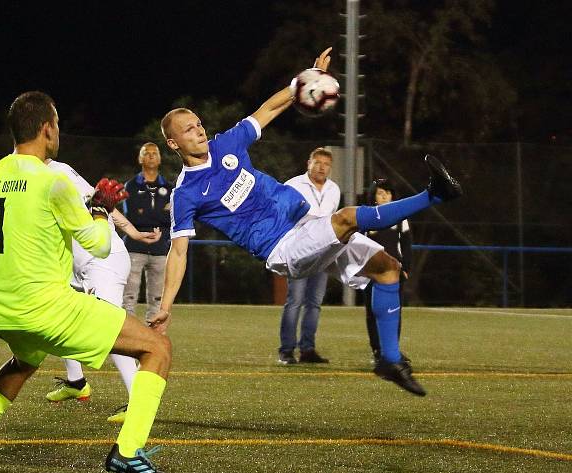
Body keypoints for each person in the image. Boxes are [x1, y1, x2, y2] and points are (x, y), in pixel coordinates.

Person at [149, 48, 463, 397]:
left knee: (388, 268)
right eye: (188, 130)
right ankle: (434, 195)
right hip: (282, 248)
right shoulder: (185, 193)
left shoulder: (226, 144)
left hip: (303, 220)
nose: (198, 131)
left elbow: (267, 109)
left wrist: (306, 78)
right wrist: (164, 308)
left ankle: (389, 360)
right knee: (346, 218)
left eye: (198, 124)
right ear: (173, 142)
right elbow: (178, 253)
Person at [0, 91, 172, 473]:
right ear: (48, 129)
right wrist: (99, 208)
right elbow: (99, 246)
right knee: (157, 347)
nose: (58, 131)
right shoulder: (54, 181)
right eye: (58, 124)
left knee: (24, 361)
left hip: (2, 311)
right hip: (48, 308)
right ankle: (128, 452)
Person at [43, 158, 161, 425]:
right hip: (80, 265)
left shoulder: (57, 172)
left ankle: (139, 403)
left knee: (112, 331)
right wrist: (135, 233)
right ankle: (76, 382)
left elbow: (101, 203)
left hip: (103, 261)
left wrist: (133, 232)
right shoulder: (36, 175)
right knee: (59, 318)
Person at [278, 147, 341, 365]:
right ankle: (286, 350)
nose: (322, 167)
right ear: (309, 163)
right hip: (299, 250)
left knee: (314, 302)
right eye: (318, 162)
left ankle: (307, 349)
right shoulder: (293, 185)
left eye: (326, 164)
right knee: (294, 300)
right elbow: (281, 216)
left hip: (323, 252)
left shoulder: (334, 189)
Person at [363, 178, 413, 363]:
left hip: (394, 272)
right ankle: (377, 350)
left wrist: (406, 268)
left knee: (394, 311)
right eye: (380, 192)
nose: (384, 195)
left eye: (388, 192)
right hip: (371, 272)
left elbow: (406, 244)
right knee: (372, 311)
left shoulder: (401, 216)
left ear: (393, 196)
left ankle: (392, 351)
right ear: (374, 196)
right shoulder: (366, 216)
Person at [121, 143, 172, 322]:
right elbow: (132, 216)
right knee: (128, 298)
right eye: (146, 153)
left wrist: (150, 215)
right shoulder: (130, 186)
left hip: (160, 249)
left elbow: (171, 218)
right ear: (140, 158)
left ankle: (153, 337)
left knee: (157, 300)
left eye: (154, 153)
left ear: (159, 158)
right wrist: (160, 214)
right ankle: (128, 339)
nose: (150, 156)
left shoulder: (169, 187)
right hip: (135, 247)